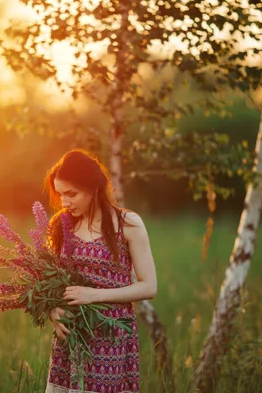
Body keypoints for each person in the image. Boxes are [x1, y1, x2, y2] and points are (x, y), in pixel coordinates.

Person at [43, 148, 158, 393]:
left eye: (71, 194)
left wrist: (94, 295)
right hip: (70, 339)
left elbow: (149, 286)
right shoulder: (60, 226)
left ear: (93, 187)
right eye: (60, 194)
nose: (64, 202)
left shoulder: (127, 224)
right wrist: (52, 310)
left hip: (111, 339)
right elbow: (48, 280)